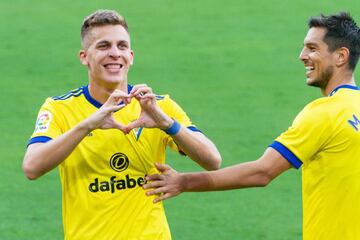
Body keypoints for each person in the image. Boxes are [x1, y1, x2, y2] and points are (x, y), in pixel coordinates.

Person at [143, 12, 360, 240]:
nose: (302, 56)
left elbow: (262, 172)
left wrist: (184, 182)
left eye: (312, 48)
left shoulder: (325, 112)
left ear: (340, 56)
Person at [22, 9, 221, 240]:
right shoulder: (59, 109)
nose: (115, 53)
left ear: (132, 56)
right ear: (84, 57)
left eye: (122, 46)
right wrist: (88, 125)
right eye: (104, 46)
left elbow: (212, 160)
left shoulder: (157, 106)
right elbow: (32, 167)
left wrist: (165, 123)